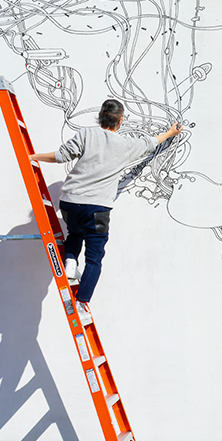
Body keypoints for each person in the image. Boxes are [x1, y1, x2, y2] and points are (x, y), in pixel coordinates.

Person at [30, 99, 181, 324]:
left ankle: (70, 259)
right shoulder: (126, 145)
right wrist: (169, 133)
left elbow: (60, 156)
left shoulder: (85, 135)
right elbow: (150, 143)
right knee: (94, 259)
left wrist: (33, 157)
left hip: (70, 203)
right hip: (97, 209)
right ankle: (81, 302)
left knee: (74, 233)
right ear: (120, 120)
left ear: (100, 115)